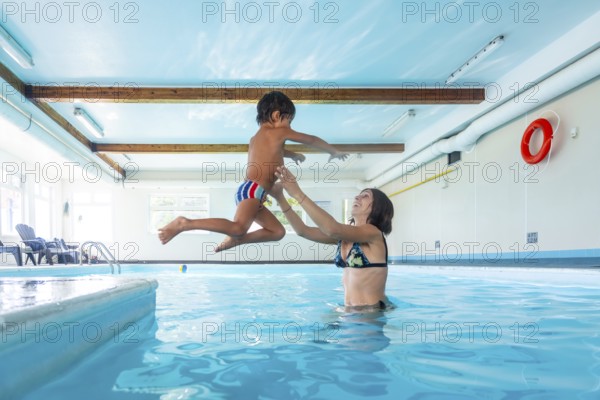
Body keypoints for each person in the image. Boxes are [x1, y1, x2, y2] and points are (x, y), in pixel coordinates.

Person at [158, 91, 348, 251]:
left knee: (278, 232)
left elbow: (275, 151)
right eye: (289, 121)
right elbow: (312, 140)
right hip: (252, 189)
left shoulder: (256, 138)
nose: (289, 128)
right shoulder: (279, 132)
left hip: (254, 192)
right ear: (276, 116)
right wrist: (333, 151)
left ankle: (237, 240)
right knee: (238, 227)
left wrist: (293, 155)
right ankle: (185, 223)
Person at [271, 165, 394, 309]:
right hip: (350, 311)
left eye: (365, 196)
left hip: (371, 313)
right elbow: (302, 230)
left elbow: (332, 229)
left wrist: (297, 193)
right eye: (359, 194)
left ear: (377, 208)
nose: (357, 196)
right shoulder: (345, 237)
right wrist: (280, 198)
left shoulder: (373, 233)